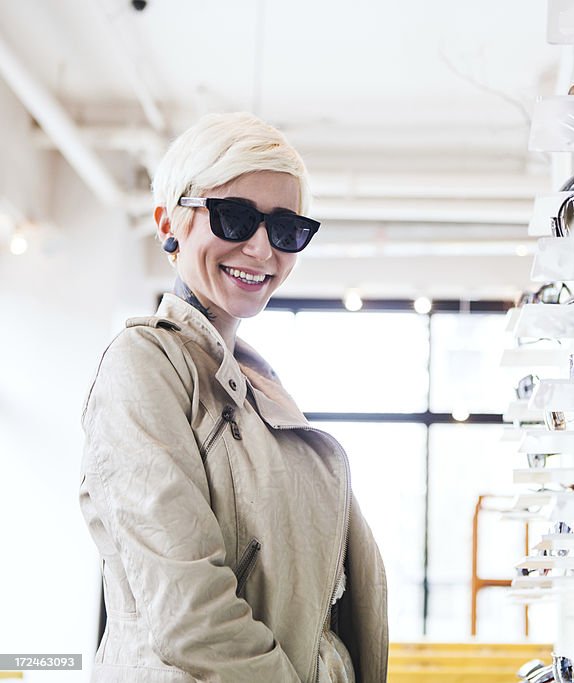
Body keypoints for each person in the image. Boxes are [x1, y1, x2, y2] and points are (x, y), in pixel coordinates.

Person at [79, 112, 388, 682]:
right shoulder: (144, 364)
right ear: (169, 221)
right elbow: (191, 613)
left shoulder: (258, 388)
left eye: (287, 229)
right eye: (234, 217)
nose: (261, 249)